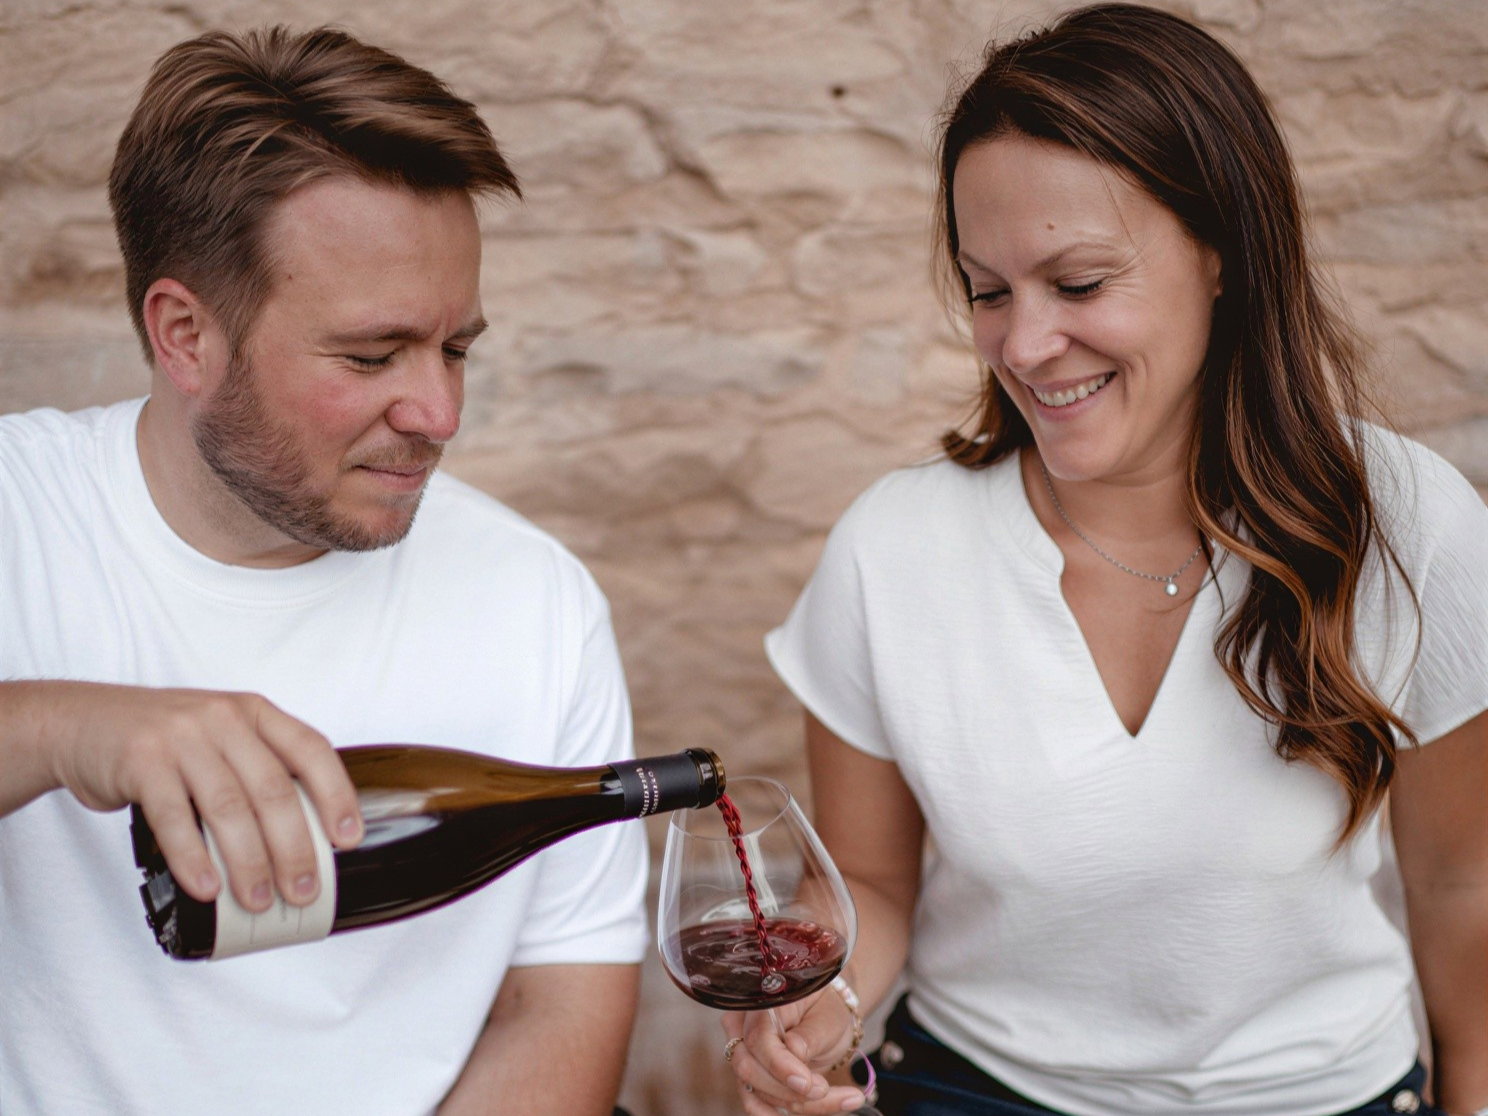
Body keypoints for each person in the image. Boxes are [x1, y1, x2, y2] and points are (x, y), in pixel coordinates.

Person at [722, 5, 1488, 1115]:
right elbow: (873, 885)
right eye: (989, 292)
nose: (1025, 346)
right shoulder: (894, 550)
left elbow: (1463, 881)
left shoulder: (1406, 522)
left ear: (1222, 252)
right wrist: (817, 1019)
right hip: (974, 1090)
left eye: (1078, 284)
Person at [0, 27, 646, 1116]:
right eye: (369, 356)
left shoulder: (534, 599)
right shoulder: (18, 514)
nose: (438, 414)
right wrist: (60, 730)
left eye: (456, 349)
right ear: (186, 336)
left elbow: (562, 1004)